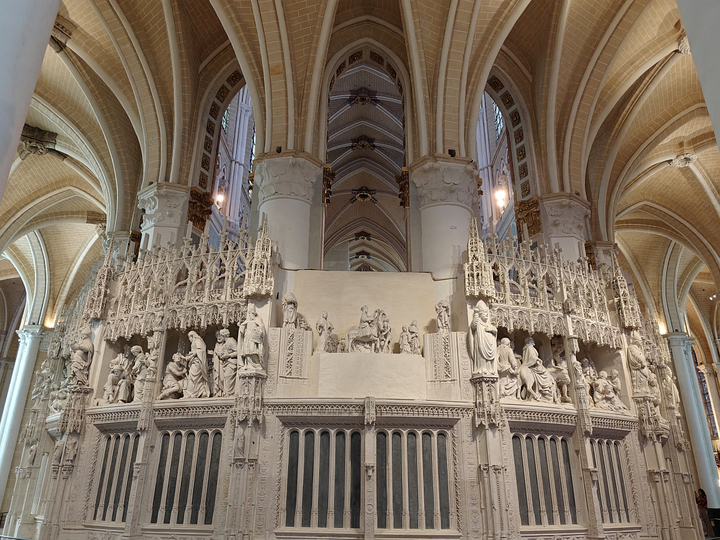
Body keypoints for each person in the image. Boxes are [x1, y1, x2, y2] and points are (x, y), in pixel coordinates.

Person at [468, 300, 497, 375]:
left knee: (488, 359)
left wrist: (492, 329)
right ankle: (481, 368)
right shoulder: (478, 322)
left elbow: (495, 330)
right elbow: (473, 326)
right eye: (484, 313)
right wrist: (475, 316)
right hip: (481, 343)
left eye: (487, 313)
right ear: (480, 314)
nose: (486, 315)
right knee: (481, 355)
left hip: (488, 345)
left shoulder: (488, 324)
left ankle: (489, 368)